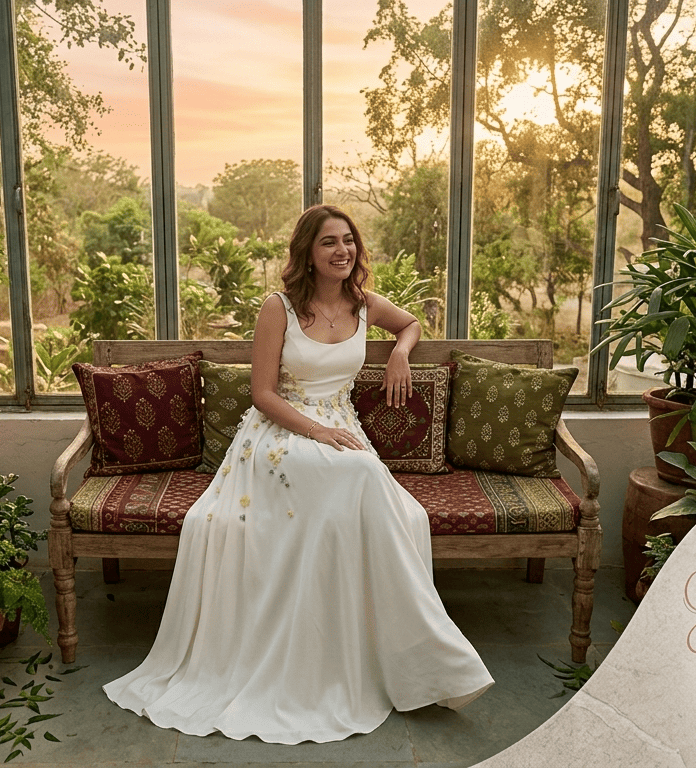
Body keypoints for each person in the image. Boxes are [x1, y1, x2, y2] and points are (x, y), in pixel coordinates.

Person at [103, 204, 493, 745]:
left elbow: (411, 323)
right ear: (307, 253)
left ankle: (402, 654)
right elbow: (262, 395)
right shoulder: (279, 308)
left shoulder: (362, 302)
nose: (343, 251)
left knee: (393, 504)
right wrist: (316, 433)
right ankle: (431, 654)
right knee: (360, 476)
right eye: (329, 242)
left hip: (341, 425)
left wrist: (401, 353)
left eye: (349, 240)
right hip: (279, 434)